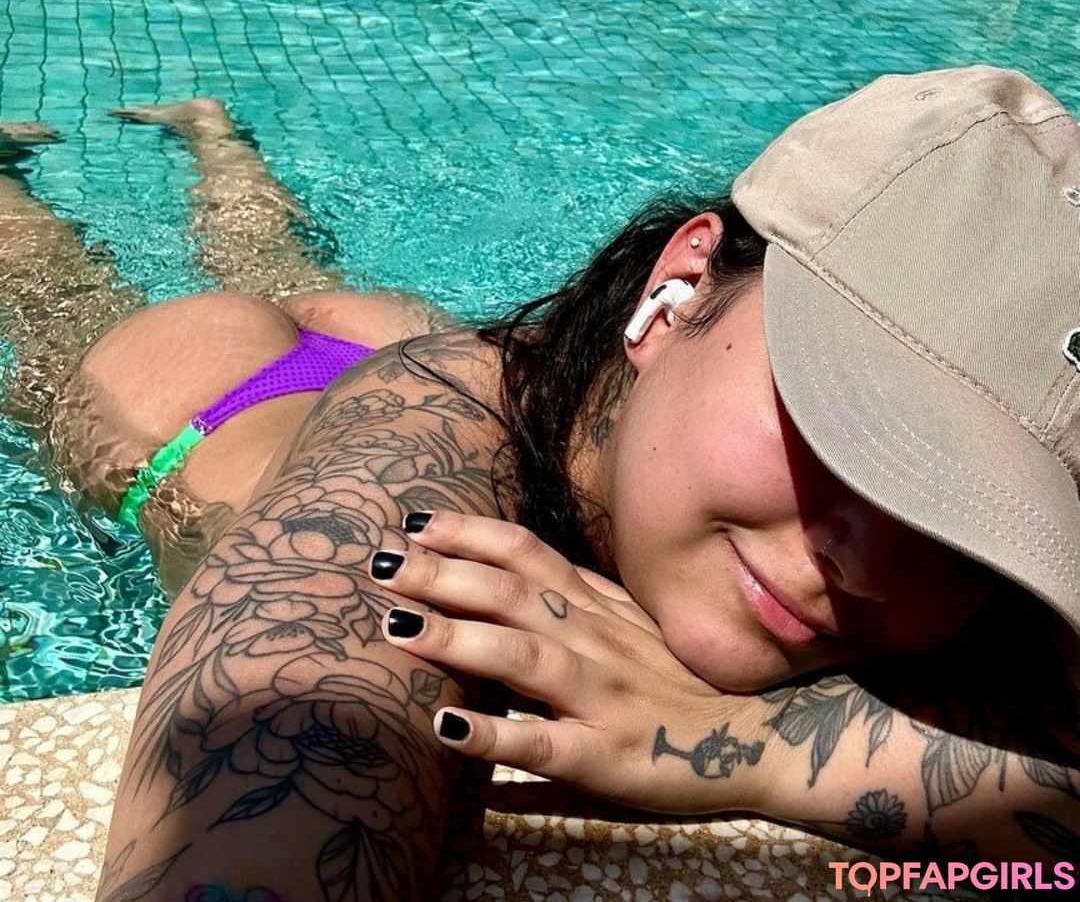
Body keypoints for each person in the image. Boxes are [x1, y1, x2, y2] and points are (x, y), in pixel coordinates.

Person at [77, 66, 1079, 900]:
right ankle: (111, 155)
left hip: (467, 355)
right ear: (677, 292)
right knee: (46, 274)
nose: (869, 566)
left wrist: (747, 740)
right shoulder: (410, 454)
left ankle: (212, 131)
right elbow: (289, 732)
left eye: (972, 514)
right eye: (844, 421)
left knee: (283, 254)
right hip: (197, 399)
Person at [0, 98, 452, 596]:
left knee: (265, 257)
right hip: (204, 425)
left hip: (410, 372)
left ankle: (212, 130)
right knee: (56, 299)